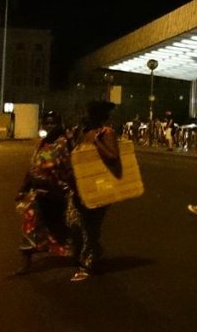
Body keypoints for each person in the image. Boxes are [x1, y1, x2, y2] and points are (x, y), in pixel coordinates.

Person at [67, 100, 122, 282]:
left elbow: (113, 157)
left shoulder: (106, 133)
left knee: (91, 225)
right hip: (80, 186)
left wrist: (98, 143)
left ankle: (88, 262)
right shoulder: (84, 133)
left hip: (99, 185)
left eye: (91, 114)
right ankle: (93, 250)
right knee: (74, 222)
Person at [14, 111, 75, 275]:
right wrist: (23, 188)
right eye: (46, 123)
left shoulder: (63, 143)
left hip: (56, 193)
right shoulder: (41, 143)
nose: (49, 127)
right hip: (38, 193)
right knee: (29, 225)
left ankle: (81, 254)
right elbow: (33, 167)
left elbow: (70, 169)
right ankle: (26, 263)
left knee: (60, 227)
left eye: (52, 123)